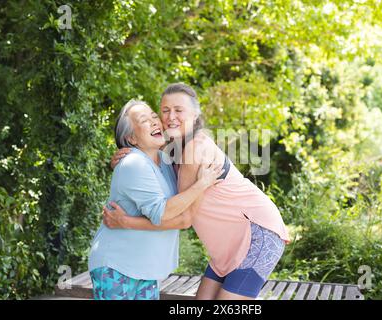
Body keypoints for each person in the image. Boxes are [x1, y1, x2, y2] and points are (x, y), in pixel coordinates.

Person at [107, 84, 290, 300]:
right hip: (227, 245)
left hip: (258, 231)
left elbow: (183, 219)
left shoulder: (195, 147)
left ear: (195, 115)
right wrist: (125, 158)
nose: (170, 116)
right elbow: (147, 166)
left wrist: (126, 222)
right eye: (165, 110)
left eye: (178, 110)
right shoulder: (172, 149)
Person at [88, 99, 223, 300]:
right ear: (132, 138)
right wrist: (202, 184)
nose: (154, 122)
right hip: (117, 266)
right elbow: (162, 212)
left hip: (146, 269)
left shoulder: (165, 161)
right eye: (144, 120)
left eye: (154, 116)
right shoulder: (133, 163)